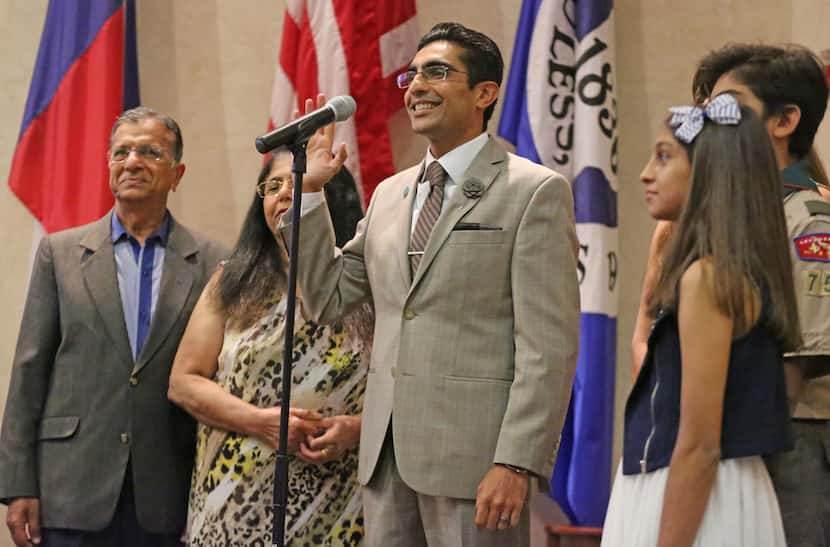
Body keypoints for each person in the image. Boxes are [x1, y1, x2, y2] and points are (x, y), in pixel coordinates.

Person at [281, 22, 579, 547]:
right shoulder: (389, 195)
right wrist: (308, 197)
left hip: (477, 463)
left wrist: (516, 461)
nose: (416, 86)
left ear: (485, 93)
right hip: (387, 456)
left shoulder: (533, 191)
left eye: (436, 73)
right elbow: (329, 298)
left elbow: (547, 346)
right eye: (412, 75)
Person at [630, 43, 830, 546]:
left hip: (789, 440)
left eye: (729, 110)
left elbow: (790, 370)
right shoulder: (705, 224)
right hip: (703, 444)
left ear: (785, 122)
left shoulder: (807, 220)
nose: (713, 125)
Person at [0, 107, 226, 546]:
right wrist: (17, 484)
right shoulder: (59, 255)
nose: (132, 162)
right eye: (121, 152)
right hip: (70, 489)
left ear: (177, 174)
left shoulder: (212, 262)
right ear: (108, 168)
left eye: (149, 152)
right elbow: (29, 372)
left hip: (167, 494)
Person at [603, 94, 800, 546]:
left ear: (708, 170)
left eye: (664, 156)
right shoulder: (718, 269)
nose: (645, 173)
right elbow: (655, 381)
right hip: (682, 484)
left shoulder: (708, 278)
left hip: (700, 502)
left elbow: (700, 444)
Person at [168, 152, 371, 546]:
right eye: (273, 186)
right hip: (233, 496)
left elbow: (404, 388)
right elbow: (183, 382)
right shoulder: (232, 282)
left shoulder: (368, 286)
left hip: (341, 500)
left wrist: (356, 430)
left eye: (298, 184)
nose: (283, 195)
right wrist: (261, 422)